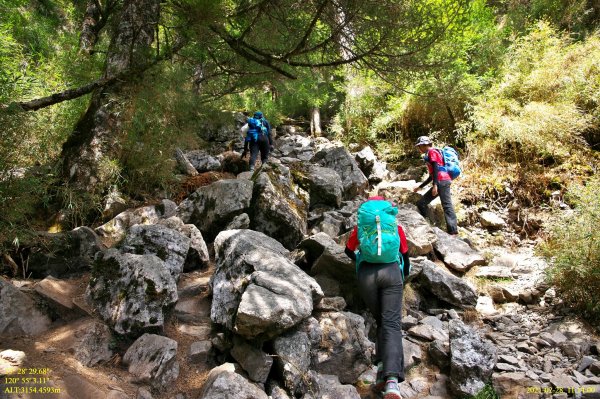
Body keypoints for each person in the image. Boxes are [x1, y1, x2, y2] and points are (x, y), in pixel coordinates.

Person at [344, 196, 410, 399]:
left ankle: (381, 368)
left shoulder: (361, 227)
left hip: (367, 277)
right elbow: (405, 256)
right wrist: (403, 275)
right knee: (391, 324)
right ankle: (391, 382)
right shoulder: (394, 226)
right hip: (391, 273)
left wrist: (361, 260)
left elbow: (348, 250)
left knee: (381, 320)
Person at [412, 135, 458, 235]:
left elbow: (436, 168)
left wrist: (435, 185)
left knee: (447, 205)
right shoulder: (430, 153)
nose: (419, 149)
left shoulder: (432, 152)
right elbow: (432, 175)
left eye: (419, 146)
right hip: (440, 181)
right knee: (421, 203)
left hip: (442, 181)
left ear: (424, 145)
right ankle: (429, 223)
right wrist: (420, 187)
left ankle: (453, 231)